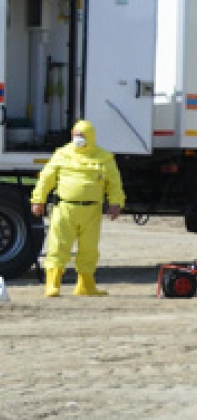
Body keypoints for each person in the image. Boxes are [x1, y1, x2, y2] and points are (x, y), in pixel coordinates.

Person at [31, 119, 126, 297]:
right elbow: (46, 178)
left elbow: (114, 183)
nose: (78, 138)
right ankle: (52, 284)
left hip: (92, 211)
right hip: (65, 209)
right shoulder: (62, 154)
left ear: (91, 137)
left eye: (82, 136)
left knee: (89, 249)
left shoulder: (104, 157)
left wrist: (115, 203)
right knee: (58, 246)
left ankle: (86, 285)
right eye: (76, 135)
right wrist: (38, 200)